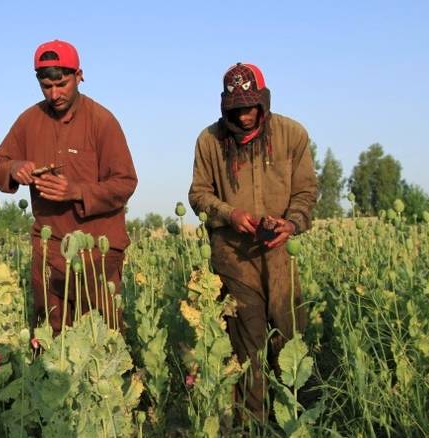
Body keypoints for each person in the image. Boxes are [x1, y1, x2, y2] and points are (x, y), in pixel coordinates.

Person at [188, 63, 317, 420]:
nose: (244, 116)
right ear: (224, 108)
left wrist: (291, 223)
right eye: (236, 109)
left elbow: (306, 191)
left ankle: (293, 419)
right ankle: (252, 424)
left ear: (264, 102)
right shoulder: (210, 141)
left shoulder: (292, 135)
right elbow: (198, 193)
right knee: (248, 346)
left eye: (250, 107)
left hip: (280, 256)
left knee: (290, 341)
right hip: (234, 257)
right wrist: (230, 215)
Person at [0, 40, 137, 335]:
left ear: (79, 75)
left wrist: (77, 192)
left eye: (62, 84)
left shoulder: (102, 122)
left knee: (101, 339)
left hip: (97, 251)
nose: (54, 94)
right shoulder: (29, 120)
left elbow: (125, 182)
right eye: (46, 86)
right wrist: (14, 168)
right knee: (50, 337)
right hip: (50, 249)